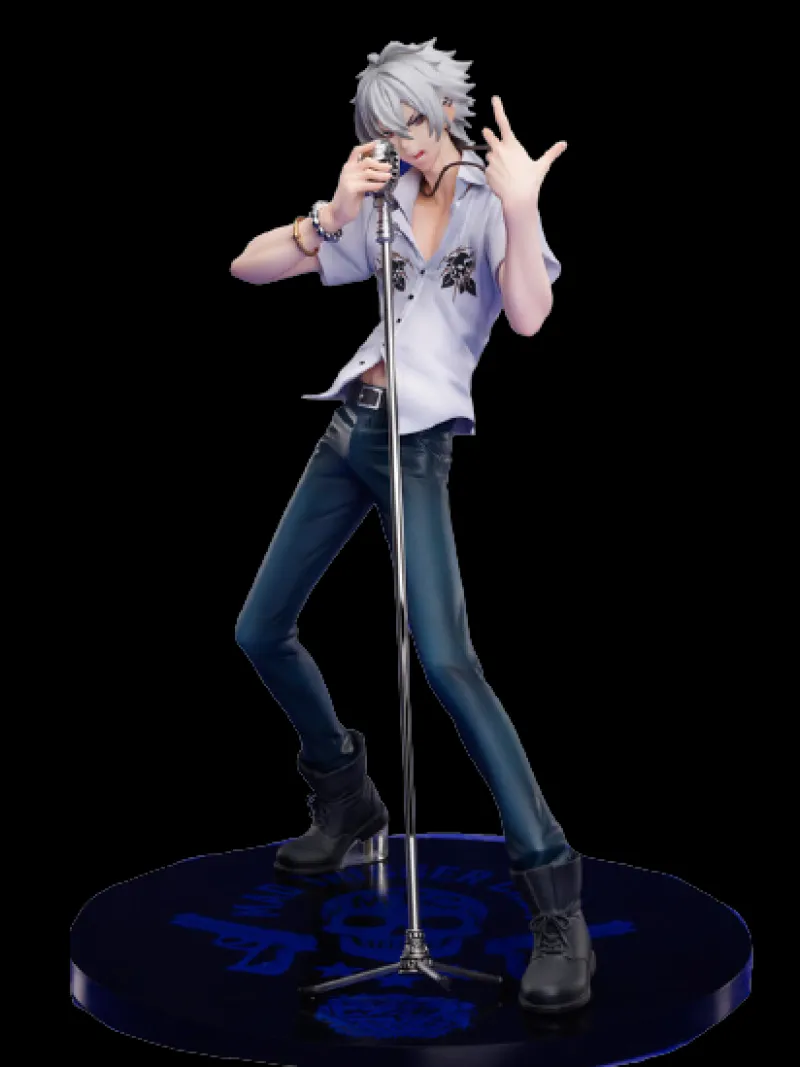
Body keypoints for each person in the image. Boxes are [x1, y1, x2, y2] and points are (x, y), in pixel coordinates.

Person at [230, 38, 594, 1013]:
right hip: (347, 431)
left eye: (418, 124)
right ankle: (346, 797)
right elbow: (249, 266)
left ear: (446, 112)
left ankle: (555, 896)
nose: (407, 143)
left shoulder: (487, 200)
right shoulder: (381, 195)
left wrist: (521, 206)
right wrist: (331, 212)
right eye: (388, 130)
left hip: (418, 443)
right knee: (259, 628)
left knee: (446, 660)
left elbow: (528, 317)